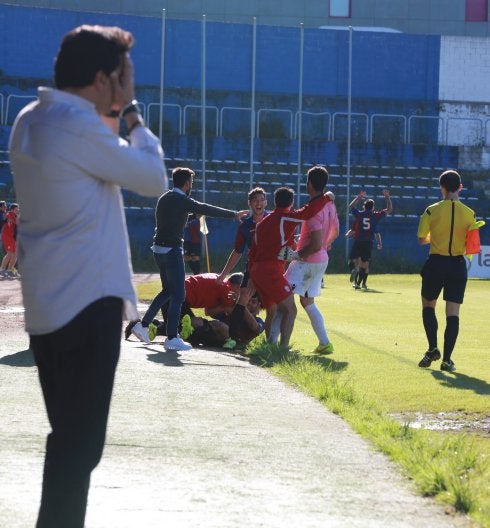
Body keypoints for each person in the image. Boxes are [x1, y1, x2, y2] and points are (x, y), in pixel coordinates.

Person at [8, 25, 168, 528]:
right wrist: (132, 112)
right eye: (124, 75)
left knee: (70, 440)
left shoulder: (33, 118)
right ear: (103, 78)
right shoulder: (75, 128)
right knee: (78, 448)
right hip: (88, 303)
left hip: (49, 303)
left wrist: (112, 110)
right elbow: (152, 176)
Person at [131, 167, 247, 351]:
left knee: (168, 291)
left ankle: (143, 325)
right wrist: (232, 214)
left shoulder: (165, 198)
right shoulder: (182, 200)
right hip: (172, 251)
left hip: (158, 250)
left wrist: (191, 213)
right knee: (178, 294)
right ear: (187, 183)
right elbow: (205, 208)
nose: (191, 185)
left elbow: (174, 217)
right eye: (191, 182)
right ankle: (171, 337)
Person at [248, 186, 331, 347]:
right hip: (270, 271)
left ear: (273, 201)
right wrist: (326, 197)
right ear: (292, 202)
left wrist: (252, 276)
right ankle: (283, 349)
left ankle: (269, 345)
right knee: (291, 310)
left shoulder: (262, 223)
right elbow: (308, 211)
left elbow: (253, 251)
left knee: (273, 310)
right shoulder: (286, 217)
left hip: (257, 270)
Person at [417, 170, 478, 372]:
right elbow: (472, 245)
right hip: (457, 265)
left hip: (436, 262)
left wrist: (434, 238)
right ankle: (447, 360)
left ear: (441, 187)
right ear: (460, 187)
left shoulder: (431, 210)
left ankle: (433, 348)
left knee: (428, 306)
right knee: (453, 313)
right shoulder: (470, 214)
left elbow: (421, 239)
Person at [282, 166, 339, 354]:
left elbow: (313, 245)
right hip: (321, 259)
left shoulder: (315, 209)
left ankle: (274, 343)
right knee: (308, 303)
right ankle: (325, 343)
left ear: (309, 184)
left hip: (307, 261)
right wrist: (325, 244)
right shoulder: (329, 203)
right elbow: (335, 232)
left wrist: (296, 255)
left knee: (280, 296)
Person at [348, 189, 392, 290]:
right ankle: (359, 283)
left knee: (351, 260)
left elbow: (350, 207)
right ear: (373, 207)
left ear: (364, 206)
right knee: (365, 264)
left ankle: (353, 271)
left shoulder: (359, 214)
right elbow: (389, 210)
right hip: (368, 242)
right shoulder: (375, 215)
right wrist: (387, 198)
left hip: (358, 240)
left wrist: (358, 197)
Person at [0, 202, 19, 277]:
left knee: (15, 254)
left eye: (18, 209)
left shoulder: (15, 215)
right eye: (16, 209)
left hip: (13, 237)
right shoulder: (10, 214)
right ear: (12, 210)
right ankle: (2, 270)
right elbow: (9, 219)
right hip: (7, 237)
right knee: (10, 253)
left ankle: (10, 270)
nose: (18, 210)